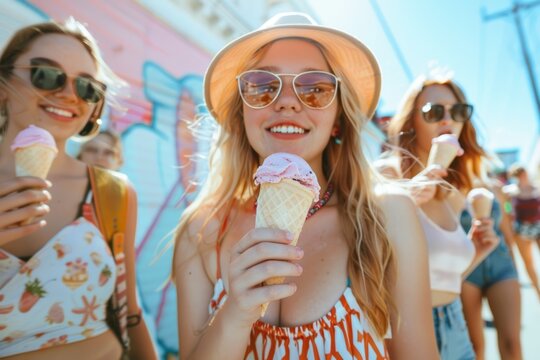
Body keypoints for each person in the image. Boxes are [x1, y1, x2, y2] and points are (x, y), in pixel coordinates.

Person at [173, 12, 438, 360]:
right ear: (242, 114)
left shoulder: (388, 216)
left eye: (315, 88)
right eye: (263, 85)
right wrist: (235, 315)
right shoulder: (201, 232)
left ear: (338, 120)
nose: (287, 101)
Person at [0, 19, 156, 359]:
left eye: (87, 87)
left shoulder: (111, 193)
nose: (69, 94)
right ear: (3, 85)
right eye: (46, 74)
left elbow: (128, 313)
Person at [382, 73, 518, 359]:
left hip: (455, 323)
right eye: (434, 112)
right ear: (411, 121)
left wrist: (478, 251)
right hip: (406, 329)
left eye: (458, 111)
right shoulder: (387, 174)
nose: (448, 120)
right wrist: (406, 197)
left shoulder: (455, 192)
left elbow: (443, 277)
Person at [506, 163, 540, 298]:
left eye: (523, 173)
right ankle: (538, 292)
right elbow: (508, 209)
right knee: (528, 262)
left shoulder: (537, 188)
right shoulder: (511, 192)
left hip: (538, 226)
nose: (522, 176)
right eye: (519, 174)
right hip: (521, 230)